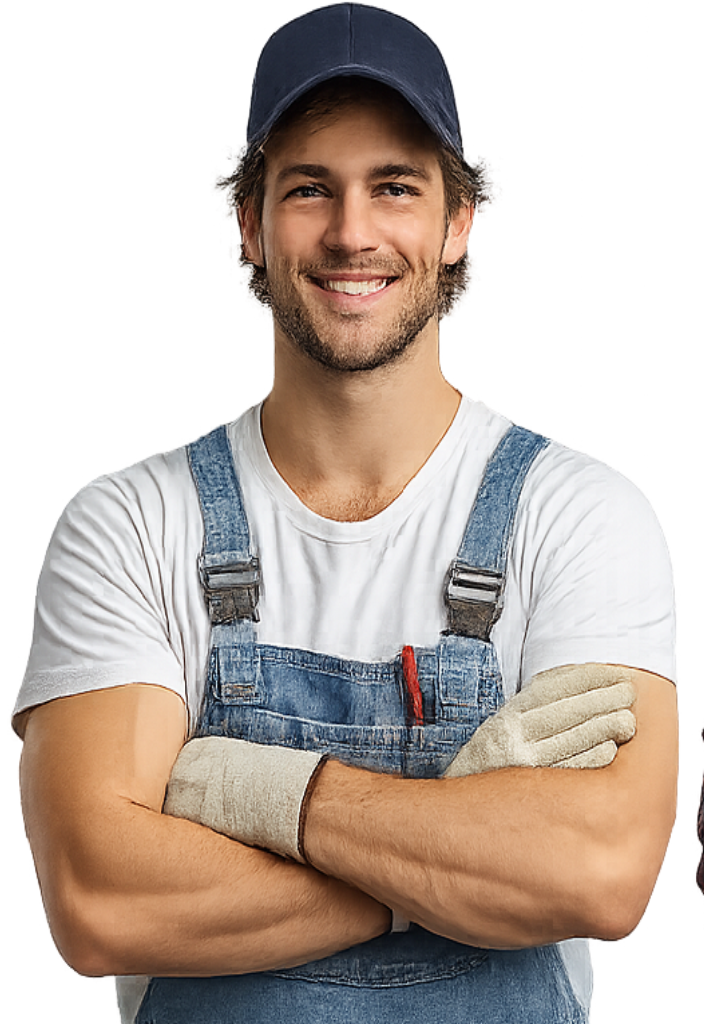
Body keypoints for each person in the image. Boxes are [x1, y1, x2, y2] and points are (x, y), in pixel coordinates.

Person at [13, 5, 679, 1023]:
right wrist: (458, 849)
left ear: (458, 220)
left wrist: (241, 789)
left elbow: (595, 876)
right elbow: (102, 901)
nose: (351, 233)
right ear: (249, 222)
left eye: (395, 188)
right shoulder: (129, 523)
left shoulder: (581, 515)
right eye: (309, 188)